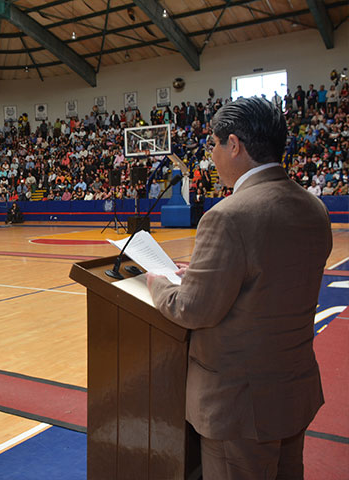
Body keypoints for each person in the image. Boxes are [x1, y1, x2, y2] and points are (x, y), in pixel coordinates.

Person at [146, 97, 332, 480]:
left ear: (234, 145)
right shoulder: (314, 207)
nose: (211, 155)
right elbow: (268, 278)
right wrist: (205, 272)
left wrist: (158, 282)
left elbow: (192, 309)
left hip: (240, 404)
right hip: (292, 389)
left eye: (213, 144)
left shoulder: (229, 216)